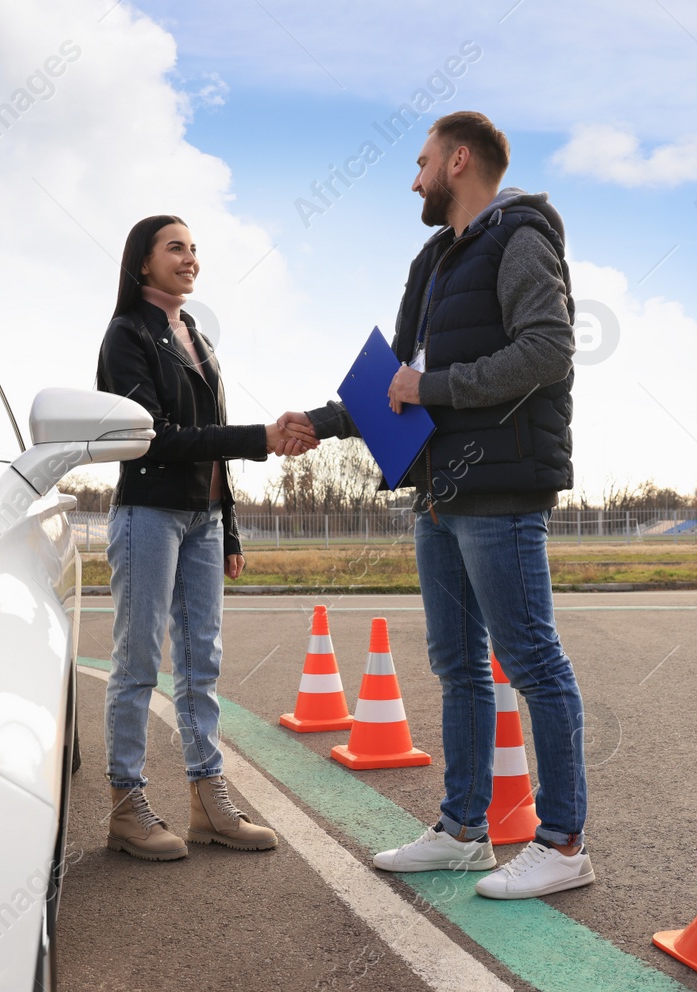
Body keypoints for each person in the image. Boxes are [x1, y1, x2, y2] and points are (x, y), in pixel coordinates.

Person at [277, 112, 591, 899]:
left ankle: (562, 842)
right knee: (457, 665)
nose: (412, 179)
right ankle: (462, 831)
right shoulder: (434, 261)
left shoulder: (520, 234)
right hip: (440, 494)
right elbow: (397, 383)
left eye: (420, 163)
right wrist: (318, 422)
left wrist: (438, 388)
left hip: (501, 487)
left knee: (533, 662)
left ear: (458, 161)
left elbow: (548, 350)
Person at [97, 214, 316, 861]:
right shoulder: (126, 335)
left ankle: (207, 801)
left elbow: (210, 440)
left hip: (203, 517)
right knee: (138, 662)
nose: (190, 258)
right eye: (176, 248)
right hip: (150, 512)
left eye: (195, 249)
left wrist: (230, 526)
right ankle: (126, 804)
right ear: (143, 262)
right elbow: (156, 438)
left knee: (202, 664)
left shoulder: (194, 333)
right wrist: (261, 438)